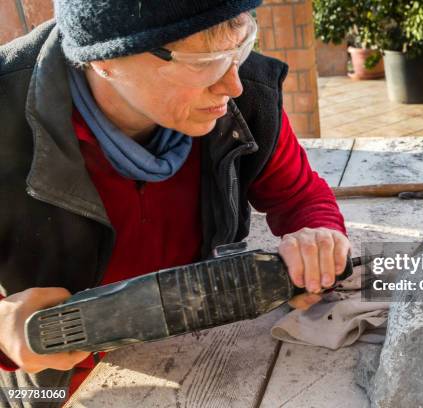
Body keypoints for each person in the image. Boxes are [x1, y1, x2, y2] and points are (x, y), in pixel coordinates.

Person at [0, 0, 350, 404]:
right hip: (57, 385)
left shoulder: (247, 94)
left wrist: (320, 238)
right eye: (203, 62)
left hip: (198, 354)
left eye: (239, 47)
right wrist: (6, 326)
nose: (231, 85)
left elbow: (300, 195)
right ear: (106, 59)